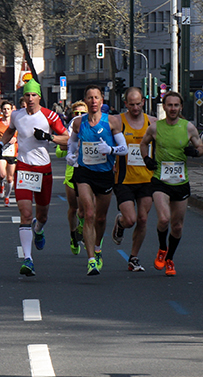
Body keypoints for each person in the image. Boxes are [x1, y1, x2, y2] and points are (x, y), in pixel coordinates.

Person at [0, 79, 69, 276]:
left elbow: (67, 138)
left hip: (43, 170)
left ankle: (38, 229)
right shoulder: (16, 115)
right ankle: (28, 259)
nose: (30, 99)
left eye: (33, 95)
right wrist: (0, 146)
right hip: (24, 169)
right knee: (26, 213)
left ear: (39, 97)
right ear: (23, 98)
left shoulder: (49, 115)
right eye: (27, 95)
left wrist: (49, 137)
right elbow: (10, 130)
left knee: (42, 215)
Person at [138, 91, 203, 276]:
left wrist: (195, 152)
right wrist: (147, 159)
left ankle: (170, 259)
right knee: (164, 219)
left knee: (177, 226)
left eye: (176, 105)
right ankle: (162, 248)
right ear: (164, 107)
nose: (173, 109)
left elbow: (202, 148)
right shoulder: (155, 128)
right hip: (160, 180)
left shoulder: (188, 127)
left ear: (181, 107)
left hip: (181, 182)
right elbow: (143, 144)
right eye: (169, 105)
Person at [67, 85, 130, 275]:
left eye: (96, 98)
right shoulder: (79, 123)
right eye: (90, 98)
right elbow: (71, 142)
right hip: (84, 172)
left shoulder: (111, 122)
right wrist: (70, 154)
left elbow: (124, 149)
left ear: (102, 101)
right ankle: (91, 260)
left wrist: (110, 150)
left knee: (101, 218)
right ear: (85, 102)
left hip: (104, 174)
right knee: (89, 213)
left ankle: (97, 248)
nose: (93, 101)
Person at [111, 87, 156, 271]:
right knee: (131, 220)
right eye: (132, 104)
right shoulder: (117, 122)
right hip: (124, 178)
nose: (136, 108)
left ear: (143, 102)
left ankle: (134, 257)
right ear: (126, 104)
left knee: (143, 219)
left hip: (146, 178)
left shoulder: (152, 123)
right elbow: (108, 143)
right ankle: (120, 223)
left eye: (138, 104)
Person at [55, 100, 87, 254]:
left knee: (84, 211)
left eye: (83, 113)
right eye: (77, 113)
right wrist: (68, 145)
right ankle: (73, 234)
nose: (79, 116)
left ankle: (83, 232)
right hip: (71, 175)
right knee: (73, 208)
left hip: (87, 174)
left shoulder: (92, 131)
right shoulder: (69, 131)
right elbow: (59, 153)